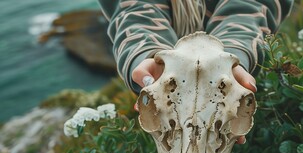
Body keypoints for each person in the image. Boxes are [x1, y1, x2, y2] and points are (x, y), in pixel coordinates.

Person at [98, 0, 293, 143]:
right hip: (166, 113)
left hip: (238, 101)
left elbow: (250, 6)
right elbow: (136, 9)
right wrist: (151, 56)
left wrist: (227, 61)